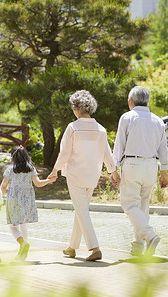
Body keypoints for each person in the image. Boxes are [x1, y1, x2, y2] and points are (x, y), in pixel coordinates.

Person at [48, 90, 119, 262]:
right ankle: (72, 247)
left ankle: (95, 248)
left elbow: (64, 153)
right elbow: (107, 154)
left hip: (75, 175)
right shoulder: (100, 129)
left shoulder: (73, 128)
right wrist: (113, 171)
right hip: (92, 176)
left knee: (81, 211)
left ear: (76, 108)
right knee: (81, 211)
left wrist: (55, 169)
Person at [113, 86, 168, 257]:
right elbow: (163, 148)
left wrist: (113, 168)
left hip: (132, 164)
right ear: (147, 101)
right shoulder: (158, 120)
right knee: (143, 205)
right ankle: (138, 246)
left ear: (131, 101)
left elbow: (119, 145)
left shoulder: (127, 117)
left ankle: (150, 236)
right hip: (151, 165)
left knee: (129, 204)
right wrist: (164, 172)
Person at [0, 147, 55, 261]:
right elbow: (38, 183)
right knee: (24, 227)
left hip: (13, 200)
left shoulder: (10, 170)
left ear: (13, 159)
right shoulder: (31, 169)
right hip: (28, 200)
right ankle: (21, 254)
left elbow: (4, 186)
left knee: (13, 226)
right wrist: (49, 180)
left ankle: (22, 244)